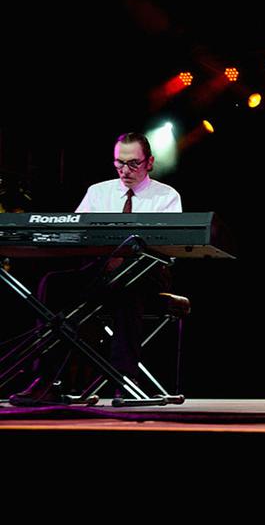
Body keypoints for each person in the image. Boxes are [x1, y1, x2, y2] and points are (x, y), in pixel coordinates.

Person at [9, 132, 182, 405]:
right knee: (53, 284)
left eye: (133, 164)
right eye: (119, 163)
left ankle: (125, 382)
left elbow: (168, 248)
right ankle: (45, 380)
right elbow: (76, 234)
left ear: (149, 162)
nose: (125, 170)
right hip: (100, 271)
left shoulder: (167, 196)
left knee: (128, 287)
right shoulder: (98, 192)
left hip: (146, 273)